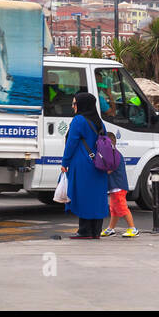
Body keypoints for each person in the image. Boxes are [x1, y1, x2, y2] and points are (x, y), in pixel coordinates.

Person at [62, 91, 110, 239]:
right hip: (99, 164)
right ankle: (95, 232)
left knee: (83, 196)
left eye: (74, 103)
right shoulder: (99, 121)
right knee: (97, 197)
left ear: (82, 105)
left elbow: (71, 143)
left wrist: (65, 162)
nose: (73, 106)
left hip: (83, 164)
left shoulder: (78, 120)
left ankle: (84, 231)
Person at [100, 133, 138, 237]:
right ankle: (111, 229)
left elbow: (108, 171)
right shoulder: (112, 154)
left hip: (118, 187)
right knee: (114, 209)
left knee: (121, 208)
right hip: (114, 187)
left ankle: (133, 228)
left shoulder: (114, 156)